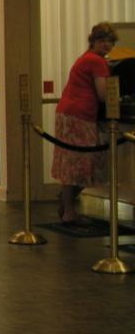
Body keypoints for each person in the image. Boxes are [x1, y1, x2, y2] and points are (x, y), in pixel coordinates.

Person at [52, 22, 117, 225]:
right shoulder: (97, 62)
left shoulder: (85, 58)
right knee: (82, 163)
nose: (106, 45)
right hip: (80, 115)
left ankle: (66, 202)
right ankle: (69, 209)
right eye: (102, 40)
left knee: (72, 161)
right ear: (94, 40)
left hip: (67, 113)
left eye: (109, 41)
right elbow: (103, 94)